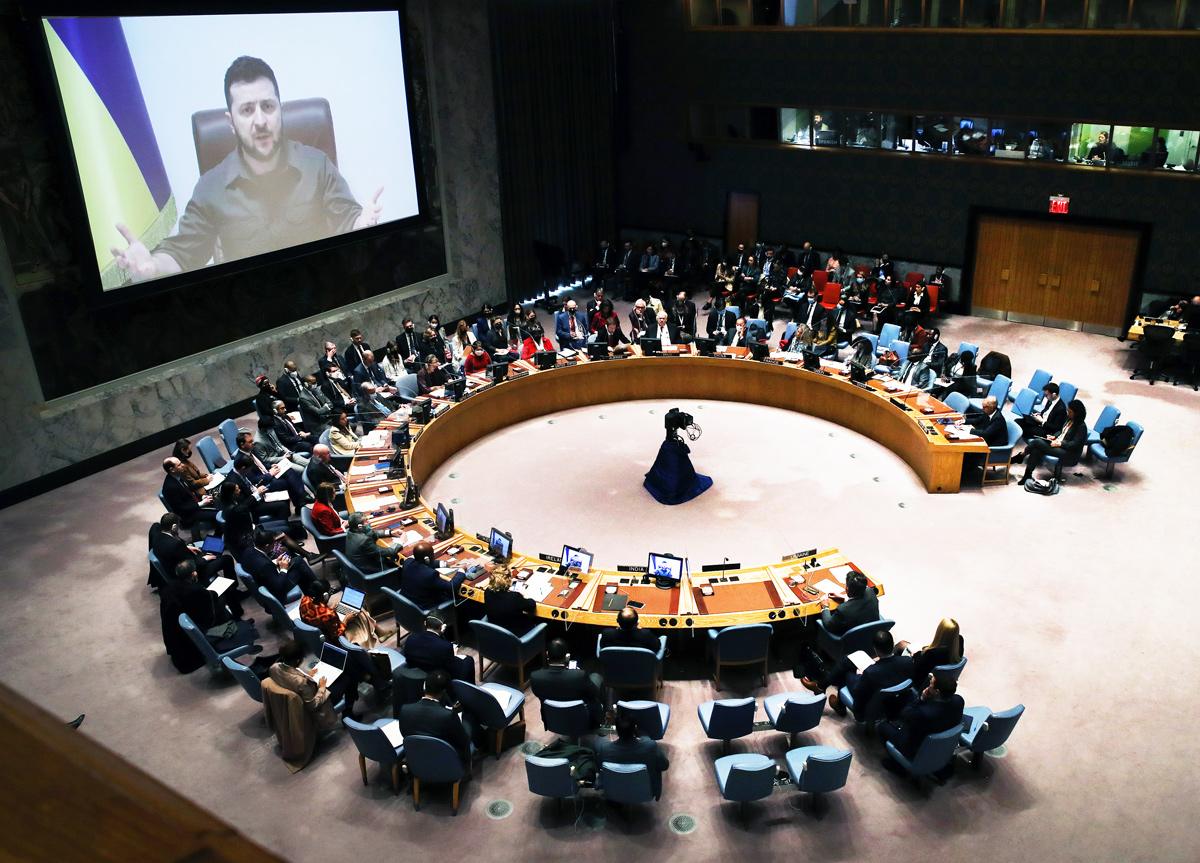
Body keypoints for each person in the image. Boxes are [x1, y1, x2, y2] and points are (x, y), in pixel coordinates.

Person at [110, 56, 381, 281]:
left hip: (320, 289)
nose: (260, 120)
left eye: (268, 106)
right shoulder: (211, 187)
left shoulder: (317, 164)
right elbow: (184, 254)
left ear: (280, 110)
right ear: (231, 121)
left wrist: (362, 224)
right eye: (247, 110)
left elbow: (347, 219)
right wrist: (152, 267)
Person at [171, 559, 258, 653]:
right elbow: (211, 597)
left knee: (223, 596)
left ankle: (237, 620)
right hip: (207, 622)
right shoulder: (196, 590)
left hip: (195, 616)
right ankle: (236, 622)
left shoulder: (177, 585)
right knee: (225, 596)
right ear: (193, 574)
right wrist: (213, 593)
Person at [828, 629, 915, 720]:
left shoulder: (870, 672)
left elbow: (858, 692)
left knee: (846, 671)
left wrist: (859, 676)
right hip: (893, 704)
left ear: (875, 649)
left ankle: (839, 705)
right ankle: (824, 686)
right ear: (892, 644)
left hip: (865, 709)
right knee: (849, 662)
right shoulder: (908, 661)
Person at [879, 672, 965, 762]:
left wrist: (921, 699)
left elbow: (904, 715)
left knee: (883, 727)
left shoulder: (924, 714)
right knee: (909, 695)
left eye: (931, 684)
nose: (928, 686)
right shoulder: (959, 701)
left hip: (915, 748)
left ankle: (896, 764)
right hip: (941, 742)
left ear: (937, 692)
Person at [151, 513, 239, 600]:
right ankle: (233, 592)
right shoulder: (176, 545)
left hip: (177, 567)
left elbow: (174, 552)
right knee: (227, 559)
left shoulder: (157, 536)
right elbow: (191, 566)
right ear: (174, 526)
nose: (178, 528)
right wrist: (204, 559)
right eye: (178, 525)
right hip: (193, 572)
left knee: (214, 545)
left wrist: (186, 548)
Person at [269, 637, 350, 731]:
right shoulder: (301, 683)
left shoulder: (274, 668)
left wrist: (306, 675)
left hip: (297, 696)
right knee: (347, 679)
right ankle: (348, 715)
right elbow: (313, 705)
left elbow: (289, 676)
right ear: (297, 660)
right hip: (319, 705)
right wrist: (322, 687)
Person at [397, 670, 473, 764]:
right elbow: (463, 741)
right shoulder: (448, 716)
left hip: (417, 759)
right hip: (445, 762)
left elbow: (404, 733)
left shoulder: (405, 710)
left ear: (424, 687)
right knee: (469, 720)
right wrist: (464, 718)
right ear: (444, 692)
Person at [531, 638, 606, 727]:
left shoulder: (535, 677)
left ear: (547, 655)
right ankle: (603, 718)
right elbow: (594, 693)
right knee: (596, 677)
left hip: (552, 722)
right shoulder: (579, 676)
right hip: (583, 721)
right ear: (567, 657)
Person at [595, 714, 670, 800]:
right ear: (634, 729)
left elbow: (598, 768)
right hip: (645, 793)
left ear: (617, 731)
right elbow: (664, 765)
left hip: (614, 792)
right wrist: (645, 737)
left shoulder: (605, 749)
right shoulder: (650, 746)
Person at [1019, 399, 1088, 482]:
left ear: (1077, 413)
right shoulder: (1069, 419)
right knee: (1036, 449)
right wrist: (1054, 436)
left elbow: (1075, 444)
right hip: (1058, 444)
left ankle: (1022, 455)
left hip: (1069, 452)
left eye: (1070, 412)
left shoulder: (1081, 427)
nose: (1068, 413)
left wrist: (1060, 443)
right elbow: (1061, 431)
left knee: (1037, 442)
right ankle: (1027, 475)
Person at [299, 579, 382, 646]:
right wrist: (346, 619)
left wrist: (332, 610)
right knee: (360, 613)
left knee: (355, 610)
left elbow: (318, 612)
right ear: (325, 595)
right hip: (335, 640)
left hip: (319, 632)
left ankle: (379, 631)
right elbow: (338, 633)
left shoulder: (305, 600)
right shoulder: (329, 614)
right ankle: (378, 631)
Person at [402, 613, 476, 682]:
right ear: (443, 627)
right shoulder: (446, 647)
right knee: (468, 660)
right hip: (437, 679)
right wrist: (454, 654)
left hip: (414, 675)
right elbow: (450, 668)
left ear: (425, 623)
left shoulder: (411, 638)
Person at [401, 540, 466, 611]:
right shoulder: (430, 575)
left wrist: (445, 564)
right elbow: (452, 586)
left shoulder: (407, 562)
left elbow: (423, 562)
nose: (434, 556)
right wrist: (461, 571)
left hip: (407, 603)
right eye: (432, 555)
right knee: (461, 599)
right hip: (425, 607)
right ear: (427, 559)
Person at [901, 618, 965, 684]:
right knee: (905, 644)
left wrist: (915, 655)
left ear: (940, 632)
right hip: (940, 682)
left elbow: (917, 670)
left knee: (901, 645)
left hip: (918, 681)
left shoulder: (932, 654)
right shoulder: (959, 642)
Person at [161, 457, 217, 531]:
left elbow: (189, 491)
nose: (183, 465)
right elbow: (180, 509)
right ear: (172, 469)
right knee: (218, 514)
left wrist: (202, 497)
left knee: (220, 502)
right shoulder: (170, 488)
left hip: (194, 505)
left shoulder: (179, 476)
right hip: (189, 515)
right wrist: (200, 504)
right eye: (179, 465)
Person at [482, 564, 538, 636]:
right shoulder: (514, 597)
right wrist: (522, 596)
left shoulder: (487, 591)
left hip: (495, 631)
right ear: (508, 579)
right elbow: (532, 605)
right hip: (515, 634)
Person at [820, 571, 879, 636]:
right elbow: (858, 603)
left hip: (851, 639)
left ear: (847, 589)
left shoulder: (843, 610)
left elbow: (829, 625)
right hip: (872, 634)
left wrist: (825, 607)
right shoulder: (871, 592)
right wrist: (844, 597)